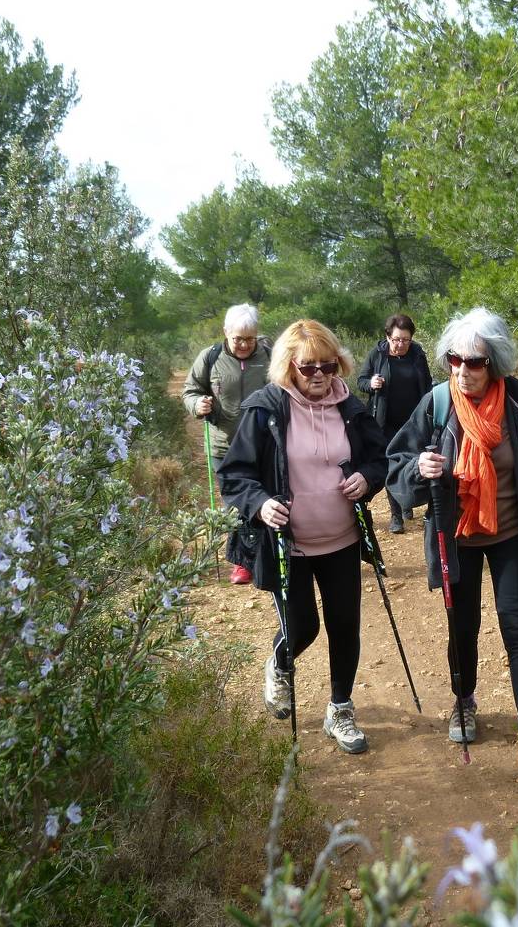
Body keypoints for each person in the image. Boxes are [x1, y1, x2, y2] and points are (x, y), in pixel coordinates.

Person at [387, 307, 518, 777]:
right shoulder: (436, 404)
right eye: (455, 360)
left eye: (475, 362)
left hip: (511, 532)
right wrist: (418, 469)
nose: (463, 371)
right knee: (462, 626)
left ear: (497, 364)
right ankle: (464, 700)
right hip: (457, 535)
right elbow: (396, 465)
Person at [218, 320, 388, 755]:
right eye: (308, 366)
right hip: (287, 545)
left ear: (340, 366)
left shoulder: (352, 407)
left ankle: (341, 708)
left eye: (328, 367)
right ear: (289, 365)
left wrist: (366, 479)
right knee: (303, 626)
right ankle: (279, 664)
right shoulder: (265, 409)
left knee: (345, 625)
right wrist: (260, 504)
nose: (319, 375)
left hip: (343, 538)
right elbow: (235, 475)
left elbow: (378, 459)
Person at [181, 303, 272, 585]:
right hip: (224, 446)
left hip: (264, 444)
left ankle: (263, 556)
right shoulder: (210, 357)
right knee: (234, 504)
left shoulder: (269, 356)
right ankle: (242, 563)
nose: (244, 344)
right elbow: (190, 391)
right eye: (238, 338)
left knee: (263, 498)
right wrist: (199, 404)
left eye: (250, 338)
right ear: (226, 333)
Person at [358, 314, 434, 533]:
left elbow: (427, 384)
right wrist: (371, 383)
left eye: (406, 340)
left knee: (417, 461)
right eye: (397, 340)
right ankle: (396, 515)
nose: (401, 344)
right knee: (393, 465)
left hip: (415, 421)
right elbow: (362, 381)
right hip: (386, 422)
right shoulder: (377, 354)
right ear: (388, 336)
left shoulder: (418, 353)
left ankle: (408, 501)